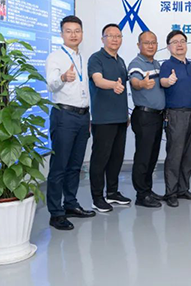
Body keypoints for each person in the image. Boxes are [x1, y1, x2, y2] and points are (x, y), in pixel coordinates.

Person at [45, 15, 95, 230]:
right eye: (68, 31)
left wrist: (88, 116)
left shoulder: (82, 57)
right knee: (60, 166)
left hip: (83, 116)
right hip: (64, 116)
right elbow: (50, 85)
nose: (73, 35)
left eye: (77, 31)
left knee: (75, 165)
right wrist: (63, 78)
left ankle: (71, 204)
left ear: (82, 33)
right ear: (61, 34)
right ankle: (55, 213)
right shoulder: (55, 57)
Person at [88, 23, 131, 212]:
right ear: (102, 39)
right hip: (103, 118)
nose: (115, 39)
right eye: (110, 36)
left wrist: (126, 113)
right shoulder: (96, 58)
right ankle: (97, 197)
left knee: (116, 158)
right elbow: (98, 80)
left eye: (118, 36)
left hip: (120, 118)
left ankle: (112, 193)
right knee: (100, 159)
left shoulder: (120, 60)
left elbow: (124, 88)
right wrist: (113, 84)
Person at [159, 30, 191, 208]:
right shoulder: (167, 65)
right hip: (175, 115)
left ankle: (183, 189)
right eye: (175, 42)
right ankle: (171, 192)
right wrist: (168, 81)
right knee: (175, 155)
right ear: (168, 47)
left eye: (182, 41)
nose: (179, 44)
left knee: (189, 154)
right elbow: (163, 81)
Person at [128, 31, 165, 208]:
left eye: (153, 42)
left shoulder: (156, 63)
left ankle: (148, 190)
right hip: (144, 116)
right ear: (139, 45)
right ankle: (141, 195)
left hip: (157, 116)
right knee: (143, 156)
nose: (150, 46)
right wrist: (142, 83)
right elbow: (134, 81)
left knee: (152, 156)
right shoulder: (136, 63)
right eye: (146, 42)